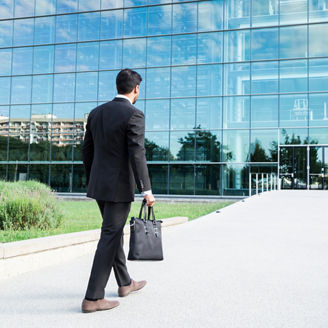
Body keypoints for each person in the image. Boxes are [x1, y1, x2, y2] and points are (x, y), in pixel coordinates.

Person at [81, 68, 155, 313]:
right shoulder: (134, 114)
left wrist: (94, 179)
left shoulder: (96, 113)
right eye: (139, 89)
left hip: (99, 185)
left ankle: (124, 283)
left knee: (113, 234)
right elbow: (137, 153)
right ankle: (93, 298)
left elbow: (87, 152)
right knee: (110, 236)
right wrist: (146, 189)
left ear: (117, 86)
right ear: (135, 89)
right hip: (119, 187)